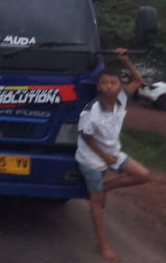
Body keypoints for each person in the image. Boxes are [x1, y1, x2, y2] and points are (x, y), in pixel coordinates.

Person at [75, 48, 150, 261]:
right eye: (104, 83)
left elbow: (138, 79)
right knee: (96, 202)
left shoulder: (122, 100)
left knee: (142, 175)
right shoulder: (92, 110)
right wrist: (103, 156)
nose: (109, 86)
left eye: (113, 83)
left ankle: (106, 186)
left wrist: (125, 59)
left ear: (119, 87)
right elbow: (86, 136)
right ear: (99, 86)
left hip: (112, 152)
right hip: (91, 158)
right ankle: (103, 244)